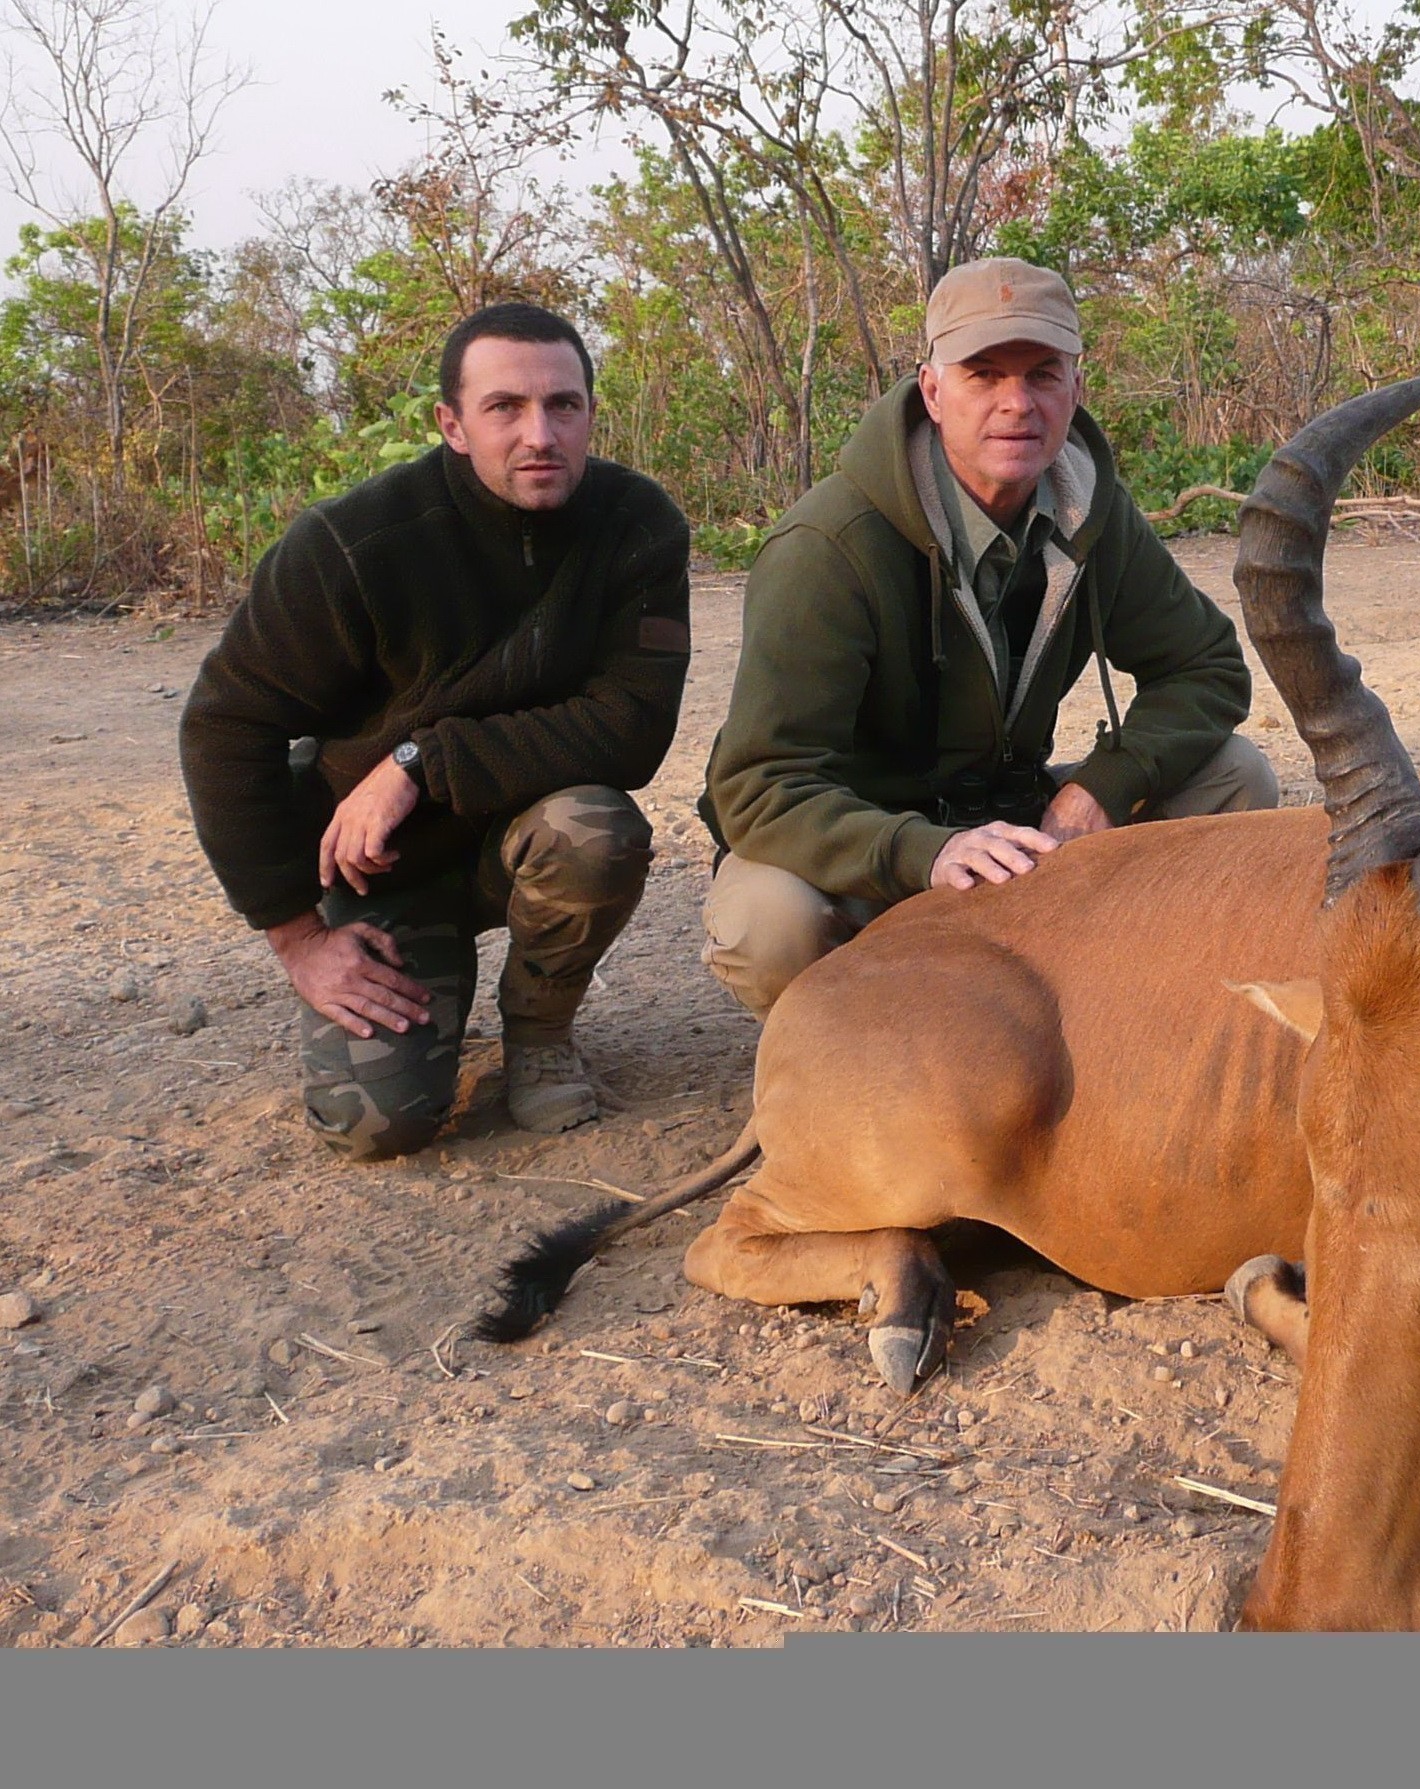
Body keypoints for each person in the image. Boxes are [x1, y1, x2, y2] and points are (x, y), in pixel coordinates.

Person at [179, 301, 691, 1158]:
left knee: (597, 826)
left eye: (563, 406)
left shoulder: (636, 523)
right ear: (451, 424)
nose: (540, 433)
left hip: (530, 838)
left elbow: (632, 728)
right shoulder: (352, 544)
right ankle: (411, 1000)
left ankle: (538, 1031)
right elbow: (226, 726)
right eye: (505, 408)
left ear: (591, 415)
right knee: (378, 1126)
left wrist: (422, 759)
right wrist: (299, 937)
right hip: (384, 872)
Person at [699, 257, 1277, 1016]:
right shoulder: (828, 543)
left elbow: (1204, 666)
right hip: (866, 847)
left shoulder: (1092, 513)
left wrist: (1096, 790)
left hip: (1015, 831)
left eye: (1042, 375)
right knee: (767, 922)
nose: (1017, 405)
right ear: (932, 390)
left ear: (1077, 387)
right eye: (983, 375)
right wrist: (923, 850)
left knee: (1238, 774)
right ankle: (846, 1056)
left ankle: (1144, 1012)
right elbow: (757, 787)